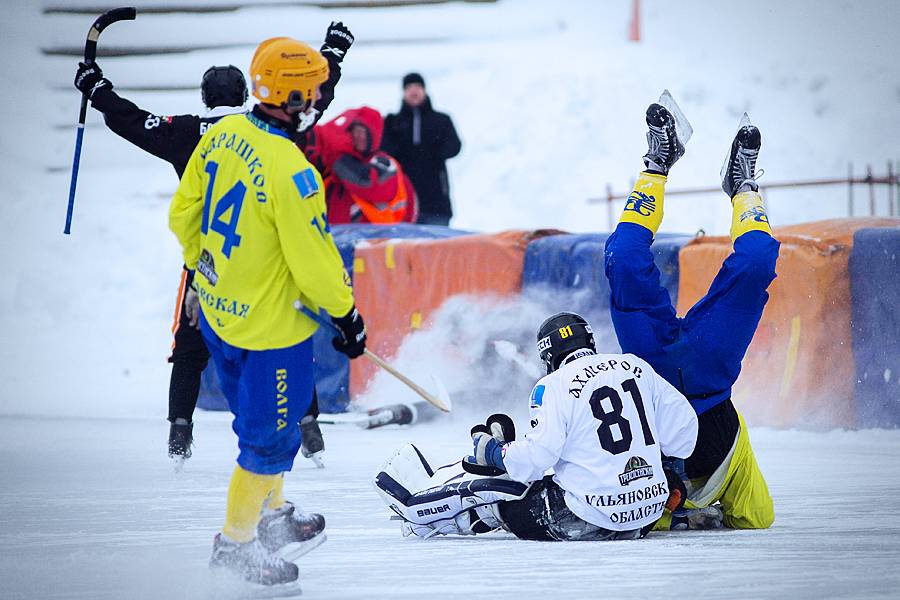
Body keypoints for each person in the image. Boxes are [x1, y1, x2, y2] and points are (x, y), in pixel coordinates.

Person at [73, 21, 355, 464]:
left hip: (207, 263)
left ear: (205, 98)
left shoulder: (187, 131)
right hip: (263, 263)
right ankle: (308, 427)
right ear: (247, 94)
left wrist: (96, 89)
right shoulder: (265, 128)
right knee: (284, 343)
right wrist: (332, 54)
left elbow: (130, 120)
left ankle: (179, 434)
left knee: (188, 348)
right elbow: (315, 99)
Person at [169, 37, 367, 588]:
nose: (318, 99)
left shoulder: (224, 133)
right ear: (296, 95)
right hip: (269, 332)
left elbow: (184, 212)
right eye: (315, 91)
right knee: (271, 440)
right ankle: (234, 544)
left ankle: (272, 515)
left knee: (257, 423)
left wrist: (200, 273)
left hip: (220, 315)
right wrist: (346, 315)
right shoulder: (292, 170)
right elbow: (315, 258)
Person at [602, 103, 778, 530]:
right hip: (711, 376)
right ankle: (744, 187)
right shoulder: (722, 476)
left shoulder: (641, 501)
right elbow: (759, 519)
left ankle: (657, 163)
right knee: (756, 261)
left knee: (623, 258)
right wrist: (704, 511)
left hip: (653, 368)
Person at [375, 312, 698, 541]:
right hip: (646, 516)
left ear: (549, 356)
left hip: (585, 518)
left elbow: (534, 461)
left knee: (504, 490)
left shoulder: (552, 384)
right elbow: (685, 438)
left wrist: (495, 452)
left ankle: (417, 515)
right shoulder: (635, 366)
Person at [305, 106, 417, 224]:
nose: (359, 136)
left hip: (378, 237)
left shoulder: (385, 163)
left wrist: (334, 154)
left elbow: (366, 182)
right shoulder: (341, 163)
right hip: (336, 236)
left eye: (364, 132)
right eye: (356, 131)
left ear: (374, 135)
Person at [381, 72, 461, 226]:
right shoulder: (392, 122)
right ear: (404, 92)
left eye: (417, 86)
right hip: (403, 202)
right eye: (409, 87)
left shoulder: (441, 120)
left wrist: (434, 146)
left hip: (436, 201)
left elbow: (455, 147)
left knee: (438, 247)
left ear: (424, 90)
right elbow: (383, 152)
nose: (414, 91)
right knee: (404, 248)